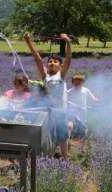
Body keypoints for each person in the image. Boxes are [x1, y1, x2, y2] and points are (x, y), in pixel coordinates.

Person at [24, 32, 72, 160]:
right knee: (48, 136)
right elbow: (37, 58)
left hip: (61, 112)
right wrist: (28, 41)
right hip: (48, 112)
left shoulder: (61, 75)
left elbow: (68, 58)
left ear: (60, 66)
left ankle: (65, 160)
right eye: (50, 62)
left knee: (62, 138)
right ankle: (49, 159)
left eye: (55, 62)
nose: (52, 63)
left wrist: (68, 42)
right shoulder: (45, 76)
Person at [67, 73, 99, 138]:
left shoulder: (85, 90)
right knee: (72, 124)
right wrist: (75, 106)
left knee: (82, 128)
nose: (78, 86)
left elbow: (92, 97)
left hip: (82, 112)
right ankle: (71, 137)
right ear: (72, 83)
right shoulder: (69, 91)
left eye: (80, 84)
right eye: (76, 84)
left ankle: (81, 138)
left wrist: (95, 99)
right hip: (72, 112)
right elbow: (66, 101)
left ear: (83, 83)